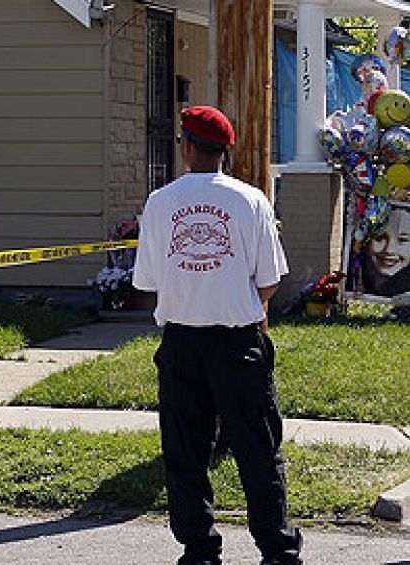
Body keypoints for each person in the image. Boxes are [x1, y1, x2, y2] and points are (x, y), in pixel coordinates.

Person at [130, 105, 303, 565]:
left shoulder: (160, 202)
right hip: (237, 342)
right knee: (258, 449)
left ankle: (199, 547)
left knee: (185, 451)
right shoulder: (250, 201)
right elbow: (269, 280)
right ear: (226, 151)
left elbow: (147, 282)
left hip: (182, 342)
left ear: (187, 147)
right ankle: (278, 548)